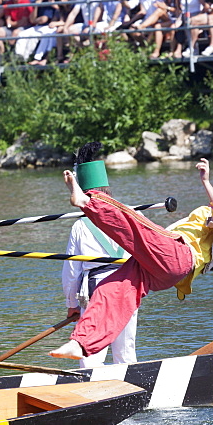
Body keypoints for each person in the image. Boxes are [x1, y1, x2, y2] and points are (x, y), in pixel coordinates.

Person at [50, 157, 213, 360]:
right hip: (164, 271)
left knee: (136, 225)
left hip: (179, 255)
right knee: (110, 290)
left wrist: (205, 182)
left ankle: (87, 201)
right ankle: (82, 343)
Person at [61, 143, 137, 368]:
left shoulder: (80, 226)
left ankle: (93, 393)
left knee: (90, 355)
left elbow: (72, 270)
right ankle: (133, 389)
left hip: (97, 291)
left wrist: (72, 303)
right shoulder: (130, 214)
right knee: (125, 353)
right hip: (128, 286)